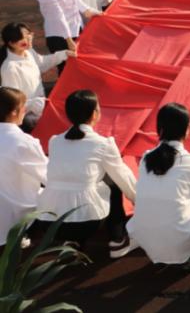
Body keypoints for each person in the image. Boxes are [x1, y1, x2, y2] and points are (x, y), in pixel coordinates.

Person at [35, 90, 137, 256]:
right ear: (95, 114)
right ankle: (117, 240)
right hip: (86, 222)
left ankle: (73, 242)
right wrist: (140, 201)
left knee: (81, 182)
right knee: (113, 181)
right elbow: (123, 176)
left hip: (49, 222)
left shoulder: (55, 142)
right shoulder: (103, 144)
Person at [128, 103, 190, 270]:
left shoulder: (146, 158)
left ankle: (168, 254)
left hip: (144, 233)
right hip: (176, 232)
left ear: (159, 128)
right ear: (187, 129)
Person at [0, 23, 71, 131]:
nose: (28, 40)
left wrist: (64, 54)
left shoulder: (28, 52)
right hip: (27, 117)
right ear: (11, 43)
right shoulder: (10, 68)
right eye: (23, 39)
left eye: (29, 35)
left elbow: (42, 63)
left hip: (41, 106)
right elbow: (12, 100)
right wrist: (33, 104)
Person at [0, 87, 47, 245]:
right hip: (13, 214)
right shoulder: (23, 142)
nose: (25, 111)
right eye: (23, 107)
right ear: (14, 112)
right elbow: (47, 176)